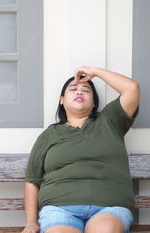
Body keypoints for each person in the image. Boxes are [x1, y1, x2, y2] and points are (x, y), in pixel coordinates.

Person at [22, 66, 140, 233]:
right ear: (61, 100)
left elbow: (132, 89)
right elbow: (32, 180)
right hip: (59, 209)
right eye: (73, 89)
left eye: (86, 89)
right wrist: (31, 222)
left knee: (106, 230)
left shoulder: (110, 121)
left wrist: (95, 72)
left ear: (93, 104)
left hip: (110, 207)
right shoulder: (49, 135)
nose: (79, 92)